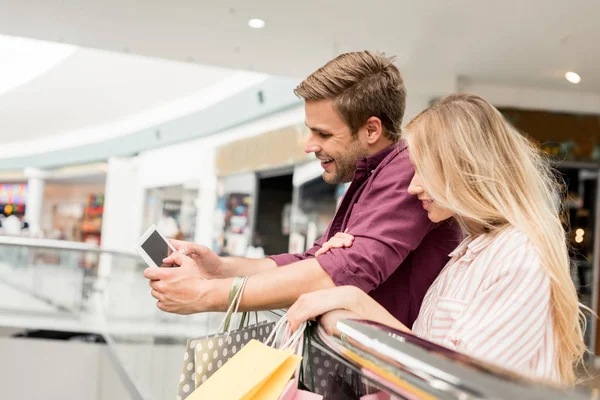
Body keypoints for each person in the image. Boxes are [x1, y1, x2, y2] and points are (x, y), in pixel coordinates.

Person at [144, 51, 462, 327]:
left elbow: (339, 273)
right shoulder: (369, 177)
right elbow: (308, 262)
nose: (309, 145)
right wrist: (220, 268)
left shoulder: (405, 173)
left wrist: (206, 294)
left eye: (322, 134)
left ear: (371, 129)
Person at [286, 94, 586, 384]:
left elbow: (462, 383)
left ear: (464, 167)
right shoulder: (471, 252)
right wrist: (347, 267)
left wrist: (354, 300)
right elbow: (430, 356)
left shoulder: (519, 255)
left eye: (422, 170)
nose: (412, 187)